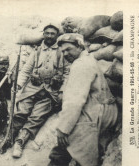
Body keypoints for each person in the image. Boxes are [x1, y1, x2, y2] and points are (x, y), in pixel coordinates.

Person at [48, 33, 118, 166]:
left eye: (68, 49)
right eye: (62, 51)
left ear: (79, 46)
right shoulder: (87, 59)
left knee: (65, 146)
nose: (65, 54)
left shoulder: (81, 65)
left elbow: (75, 101)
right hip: (102, 110)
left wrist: (63, 129)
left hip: (95, 113)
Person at [11, 24, 70, 158]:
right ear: (43, 34)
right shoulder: (36, 51)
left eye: (52, 34)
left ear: (57, 36)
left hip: (50, 92)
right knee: (21, 111)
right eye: (47, 33)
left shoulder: (62, 52)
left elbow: (67, 74)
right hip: (32, 89)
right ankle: (8, 137)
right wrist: (19, 85)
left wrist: (62, 91)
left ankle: (20, 142)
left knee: (36, 117)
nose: (49, 36)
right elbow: (26, 70)